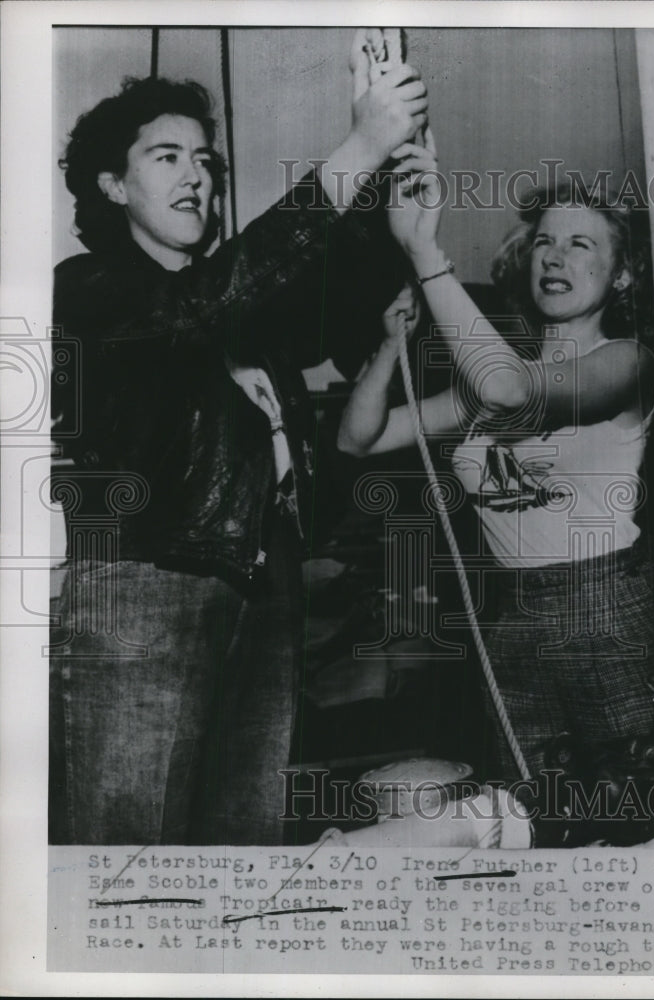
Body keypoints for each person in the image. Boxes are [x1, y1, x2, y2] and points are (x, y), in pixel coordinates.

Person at [49, 36, 428, 846]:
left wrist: (389, 196)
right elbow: (200, 308)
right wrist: (356, 145)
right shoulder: (88, 291)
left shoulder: (238, 303)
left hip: (266, 582)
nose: (196, 175)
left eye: (206, 159)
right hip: (148, 583)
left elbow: (318, 300)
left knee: (243, 842)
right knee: (132, 854)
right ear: (113, 185)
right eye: (165, 156)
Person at [338, 136, 654, 781]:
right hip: (511, 614)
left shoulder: (627, 363)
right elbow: (360, 439)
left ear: (622, 274)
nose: (555, 255)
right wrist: (390, 345)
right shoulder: (486, 378)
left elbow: (512, 391)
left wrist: (426, 255)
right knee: (533, 811)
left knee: (632, 807)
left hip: (609, 607)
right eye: (545, 241)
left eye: (582, 244)